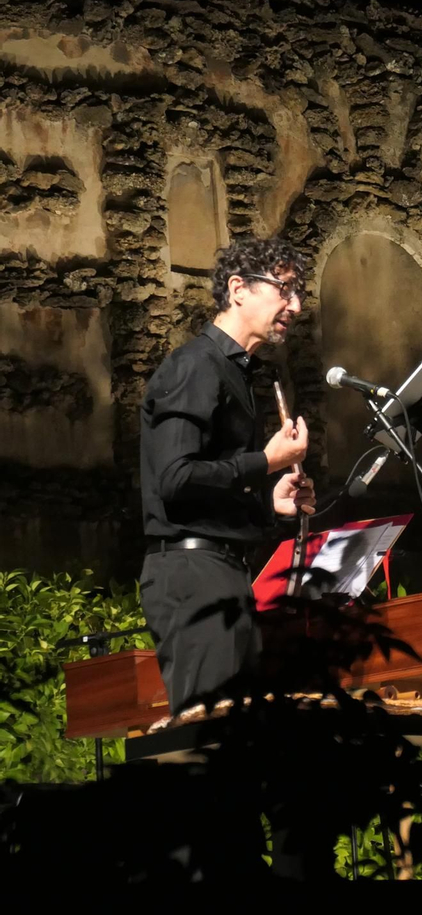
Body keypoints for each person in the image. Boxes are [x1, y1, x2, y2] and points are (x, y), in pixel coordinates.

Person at [140, 235, 316, 714]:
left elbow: (209, 480)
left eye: (299, 293)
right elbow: (174, 478)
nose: (296, 305)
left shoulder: (237, 372)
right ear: (238, 289)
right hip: (193, 575)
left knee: (235, 747)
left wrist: (268, 500)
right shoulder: (196, 365)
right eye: (285, 289)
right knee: (209, 743)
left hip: (221, 573)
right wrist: (266, 462)